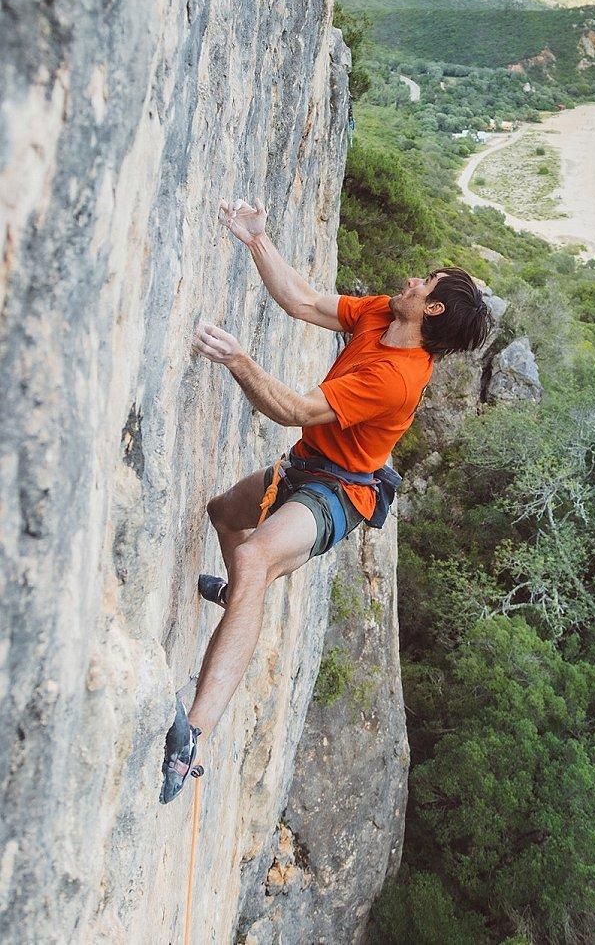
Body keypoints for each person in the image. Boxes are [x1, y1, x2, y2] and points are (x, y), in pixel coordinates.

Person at [160, 198, 493, 803]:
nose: (412, 281)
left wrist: (238, 360)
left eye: (426, 283)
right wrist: (256, 240)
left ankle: (192, 735)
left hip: (340, 491)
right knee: (224, 516)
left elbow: (297, 409)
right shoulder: (383, 317)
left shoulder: (398, 375)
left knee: (256, 557)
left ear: (433, 309)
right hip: (309, 463)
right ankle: (239, 592)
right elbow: (305, 302)